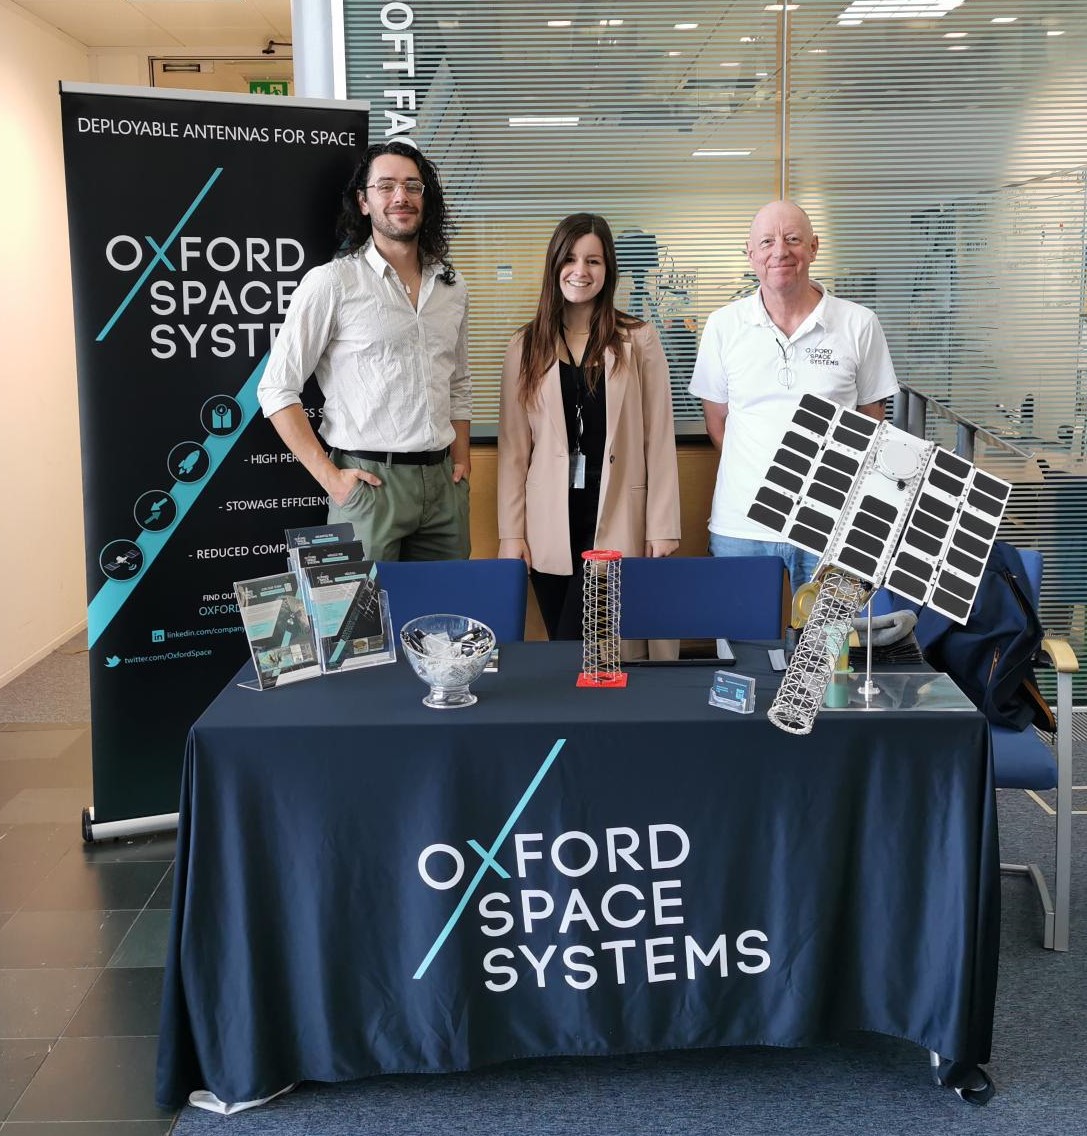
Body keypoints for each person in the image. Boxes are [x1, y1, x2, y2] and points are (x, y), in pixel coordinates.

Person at [257, 140, 471, 562]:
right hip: (369, 487)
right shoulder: (333, 283)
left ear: (426, 200)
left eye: (413, 186)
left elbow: (459, 381)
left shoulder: (451, 285)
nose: (401, 197)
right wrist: (332, 480)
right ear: (364, 201)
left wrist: (461, 460)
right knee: (359, 625)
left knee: (444, 621)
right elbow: (276, 389)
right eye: (386, 186)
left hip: (444, 485)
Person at [688, 200, 900, 593]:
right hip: (741, 526)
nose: (779, 251)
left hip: (831, 525)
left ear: (814, 247)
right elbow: (717, 422)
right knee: (741, 651)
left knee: (831, 649)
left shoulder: (858, 324)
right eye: (766, 241)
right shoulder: (723, 326)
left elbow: (871, 419)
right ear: (750, 254)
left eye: (792, 239)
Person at [497, 213, 681, 640]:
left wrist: (663, 525)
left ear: (608, 269)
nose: (581, 271)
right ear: (554, 265)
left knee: (600, 646)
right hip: (549, 524)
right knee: (565, 645)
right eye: (571, 259)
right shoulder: (524, 346)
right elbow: (512, 452)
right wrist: (511, 535)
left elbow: (658, 439)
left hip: (619, 511)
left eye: (594, 261)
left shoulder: (639, 339)